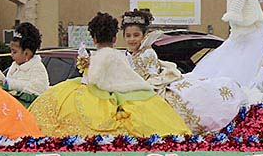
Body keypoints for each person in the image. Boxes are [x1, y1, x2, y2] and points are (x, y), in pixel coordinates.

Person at [30, 12, 190, 137]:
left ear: (93, 38)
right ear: (114, 38)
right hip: (116, 94)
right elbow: (129, 78)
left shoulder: (101, 56)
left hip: (94, 94)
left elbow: (95, 78)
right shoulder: (119, 56)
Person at [123, 9, 263, 133]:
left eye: (136, 35)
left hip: (156, 87)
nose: (132, 39)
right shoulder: (129, 55)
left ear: (143, 36)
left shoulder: (147, 52)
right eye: (128, 36)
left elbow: (152, 77)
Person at [0, 22, 50, 107]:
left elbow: (36, 88)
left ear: (26, 53)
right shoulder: (14, 67)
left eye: (14, 52)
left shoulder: (37, 68)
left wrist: (9, 84)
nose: (11, 54)